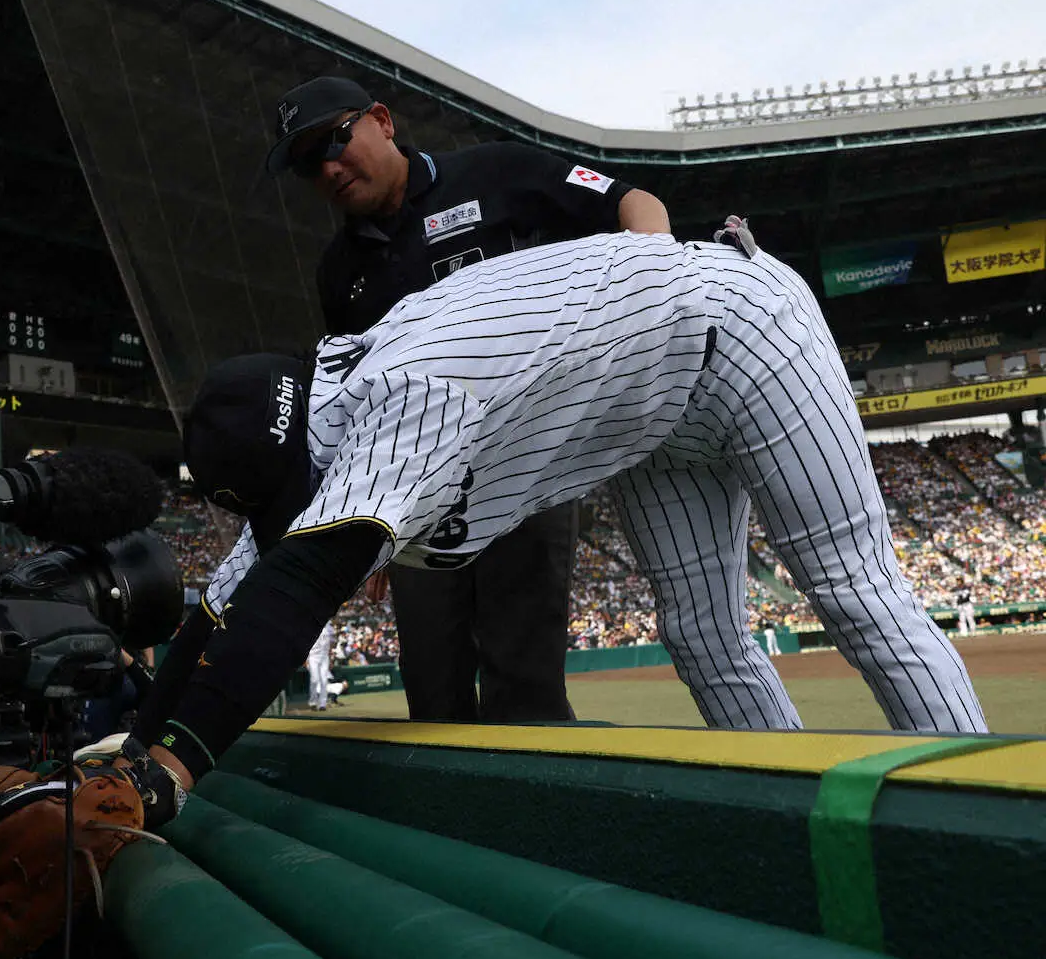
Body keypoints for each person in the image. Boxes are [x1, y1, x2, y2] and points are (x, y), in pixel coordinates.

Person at [118, 224, 987, 826]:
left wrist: (172, 770)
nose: (303, 511)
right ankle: (796, 824)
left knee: (854, 592)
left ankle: (988, 825)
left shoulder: (408, 384)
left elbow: (305, 580)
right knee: (701, 634)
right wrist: (135, 742)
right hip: (653, 419)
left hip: (744, 330)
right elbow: (228, 604)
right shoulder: (326, 411)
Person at [266, 75, 670, 723]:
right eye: (307, 163)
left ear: (382, 120)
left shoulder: (495, 172)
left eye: (333, 141)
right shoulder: (338, 273)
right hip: (421, 499)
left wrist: (656, 284)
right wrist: (367, 513)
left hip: (524, 467)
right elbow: (360, 398)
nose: (328, 168)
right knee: (433, 693)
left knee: (525, 694)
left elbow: (632, 200)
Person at [307, 620, 335, 711]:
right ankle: (313, 702)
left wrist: (330, 659)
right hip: (313, 656)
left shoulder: (327, 629)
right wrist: (306, 660)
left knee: (324, 680)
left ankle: (323, 704)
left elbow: (331, 644)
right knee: (314, 679)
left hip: (324, 657)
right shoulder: (310, 629)